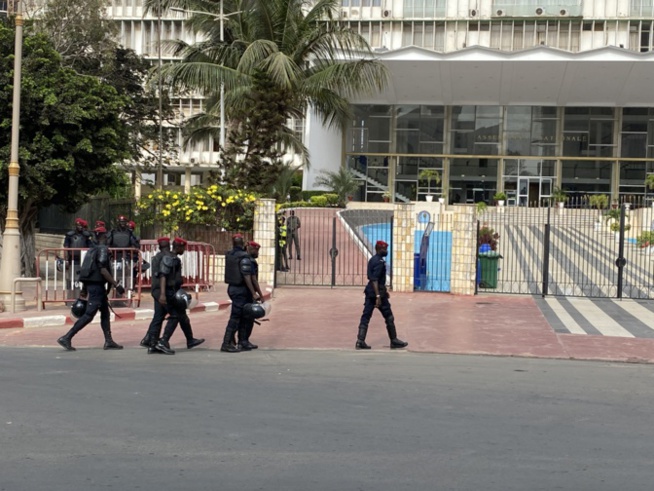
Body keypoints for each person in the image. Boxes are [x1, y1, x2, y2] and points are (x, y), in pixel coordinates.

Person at [57, 226, 125, 351]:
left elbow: (86, 270)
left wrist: (84, 288)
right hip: (96, 287)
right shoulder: (103, 249)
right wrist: (117, 285)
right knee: (89, 315)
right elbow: (103, 270)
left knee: (105, 313)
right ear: (104, 236)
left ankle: (108, 341)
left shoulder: (91, 250)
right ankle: (67, 337)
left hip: (93, 286)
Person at [152, 237, 205, 355]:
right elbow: (163, 276)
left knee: (183, 317)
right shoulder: (169, 258)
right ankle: (162, 342)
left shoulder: (174, 258)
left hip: (173, 291)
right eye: (183, 247)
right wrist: (162, 294)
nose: (184, 250)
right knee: (175, 316)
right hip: (169, 293)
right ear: (178, 247)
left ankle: (190, 340)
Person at [355, 240, 408, 350]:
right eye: (384, 249)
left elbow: (374, 280)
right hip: (377, 295)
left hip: (371, 293)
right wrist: (378, 296)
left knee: (366, 316)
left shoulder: (372, 260)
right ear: (379, 249)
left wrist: (384, 291)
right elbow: (374, 280)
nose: (386, 251)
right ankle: (394, 340)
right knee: (389, 316)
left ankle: (360, 341)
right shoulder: (379, 262)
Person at [221, 237, 264, 352]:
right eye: (257, 250)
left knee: (246, 316)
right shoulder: (244, 258)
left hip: (234, 288)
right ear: (249, 247)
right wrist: (255, 293)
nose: (258, 253)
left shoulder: (232, 255)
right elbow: (249, 278)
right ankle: (226, 343)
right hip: (240, 291)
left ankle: (242, 341)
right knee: (236, 317)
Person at [62, 218, 93, 298]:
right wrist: (66, 260)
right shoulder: (70, 235)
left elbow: (90, 248)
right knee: (71, 280)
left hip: (83, 260)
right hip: (72, 260)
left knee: (83, 280)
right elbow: (66, 247)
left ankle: (83, 297)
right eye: (78, 225)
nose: (79, 227)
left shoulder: (86, 236)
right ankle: (70, 298)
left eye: (81, 225)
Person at [107, 214, 140, 290]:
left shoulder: (129, 233)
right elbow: (107, 244)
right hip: (115, 258)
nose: (122, 223)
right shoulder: (112, 232)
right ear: (118, 222)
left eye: (124, 222)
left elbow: (135, 245)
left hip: (127, 258)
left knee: (127, 277)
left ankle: (127, 292)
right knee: (114, 276)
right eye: (121, 222)